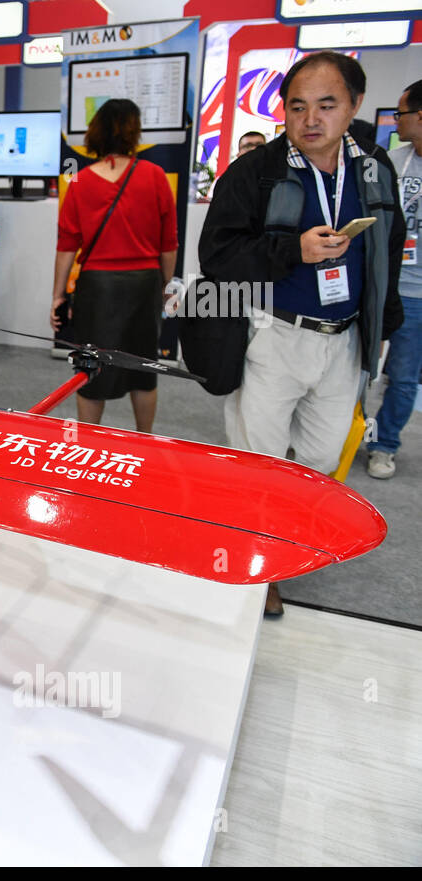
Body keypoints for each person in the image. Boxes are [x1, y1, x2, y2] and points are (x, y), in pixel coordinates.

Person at [198, 51, 404, 618]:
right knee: (257, 459)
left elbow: (386, 249)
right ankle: (258, 564)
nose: (311, 118)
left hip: (343, 342)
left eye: (327, 105)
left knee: (316, 458)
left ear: (355, 106)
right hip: (271, 336)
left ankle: (283, 536)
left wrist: (380, 328)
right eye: (297, 106)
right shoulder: (255, 172)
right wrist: (293, 249)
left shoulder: (374, 169)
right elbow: (216, 255)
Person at [51, 98, 177, 433]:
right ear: (134, 131)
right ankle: (144, 440)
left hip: (97, 287)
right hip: (144, 283)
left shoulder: (80, 181)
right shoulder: (155, 176)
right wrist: (163, 285)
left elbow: (66, 245)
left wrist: (58, 296)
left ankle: (89, 445)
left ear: (96, 132)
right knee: (143, 369)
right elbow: (168, 244)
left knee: (91, 370)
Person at [366, 79, 422, 479]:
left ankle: (384, 445)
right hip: (381, 284)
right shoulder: (389, 163)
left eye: (401, 113)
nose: (396, 120)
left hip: (418, 297)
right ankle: (340, 434)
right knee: (356, 370)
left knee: (403, 377)